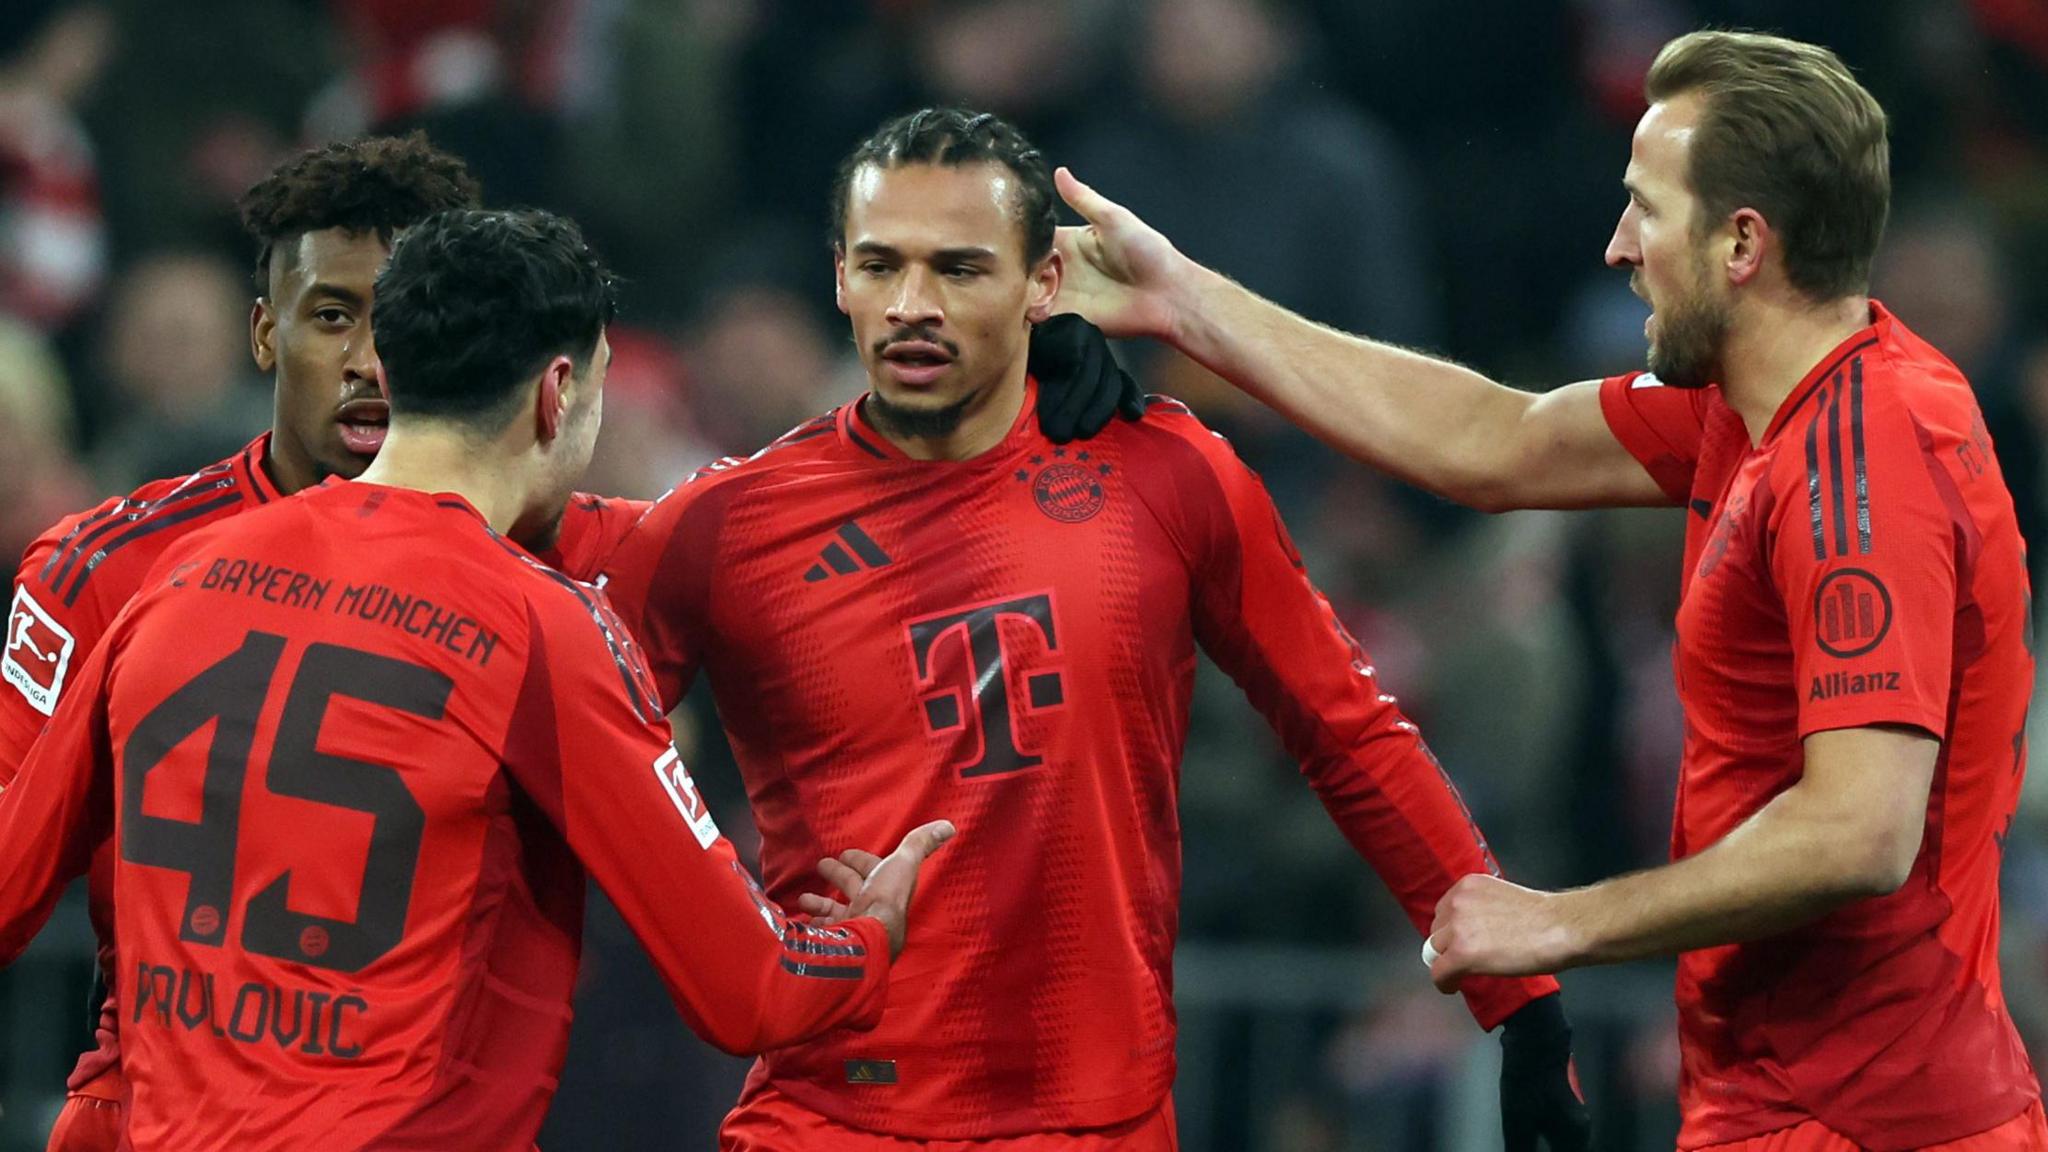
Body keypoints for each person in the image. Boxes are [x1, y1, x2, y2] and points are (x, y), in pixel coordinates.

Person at [0, 131, 1133, 1152]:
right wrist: (872, 932)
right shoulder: (549, 613)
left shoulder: (165, 575)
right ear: (559, 394)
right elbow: (750, 990)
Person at [1050, 28, 2045, 1152]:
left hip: (1876, 1124)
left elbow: (1857, 831)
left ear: (1740, 245)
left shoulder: (1864, 451)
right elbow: (1492, 439)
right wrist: (1185, 302)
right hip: (1788, 1105)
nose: (1616, 248)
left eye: (1643, 210)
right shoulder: (1763, 405)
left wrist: (1557, 923)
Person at [573, 107, 1590, 1151]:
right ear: (839, 278)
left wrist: (1518, 1001)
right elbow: (548, 733)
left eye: (960, 270)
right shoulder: (723, 527)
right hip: (831, 1120)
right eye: (881, 266)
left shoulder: (1165, 475)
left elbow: (1350, 736)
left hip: (1095, 1124)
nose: (911, 306)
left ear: (1043, 283)